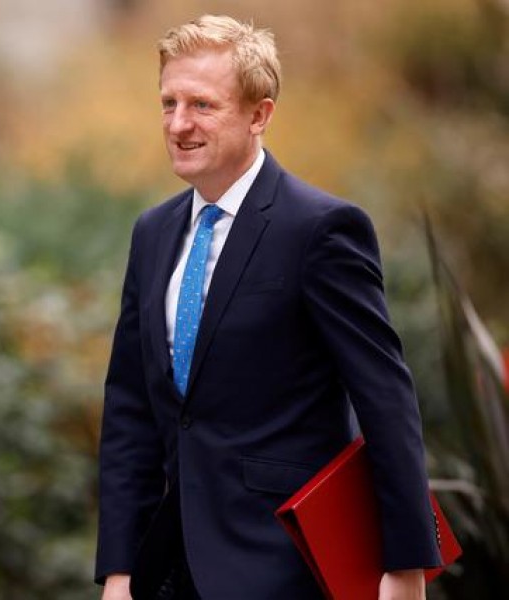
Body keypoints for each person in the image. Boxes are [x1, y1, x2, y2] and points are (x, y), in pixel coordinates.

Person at [94, 14, 443, 600]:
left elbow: (385, 398)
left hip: (286, 567)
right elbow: (130, 409)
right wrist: (121, 570)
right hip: (168, 572)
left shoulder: (323, 229)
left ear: (260, 114)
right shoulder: (152, 233)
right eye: (168, 103)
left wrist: (406, 568)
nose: (179, 124)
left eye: (202, 105)